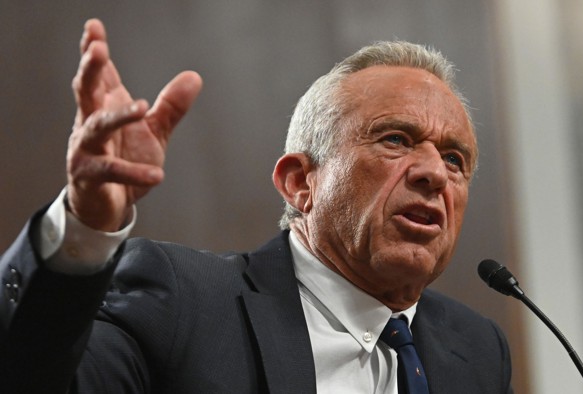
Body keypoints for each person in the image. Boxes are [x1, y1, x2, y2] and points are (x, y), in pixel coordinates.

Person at [0, 19, 513, 393]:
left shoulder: (476, 350)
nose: (432, 173)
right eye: (396, 140)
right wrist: (86, 226)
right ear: (299, 182)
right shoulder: (184, 306)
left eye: (454, 158)